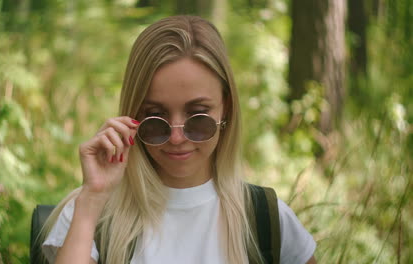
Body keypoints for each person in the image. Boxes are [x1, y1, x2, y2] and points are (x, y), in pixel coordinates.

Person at [40, 15, 317, 264]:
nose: (176, 137)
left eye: (198, 117)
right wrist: (93, 198)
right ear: (132, 115)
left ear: (227, 108)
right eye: (155, 118)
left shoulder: (264, 218)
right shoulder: (93, 214)